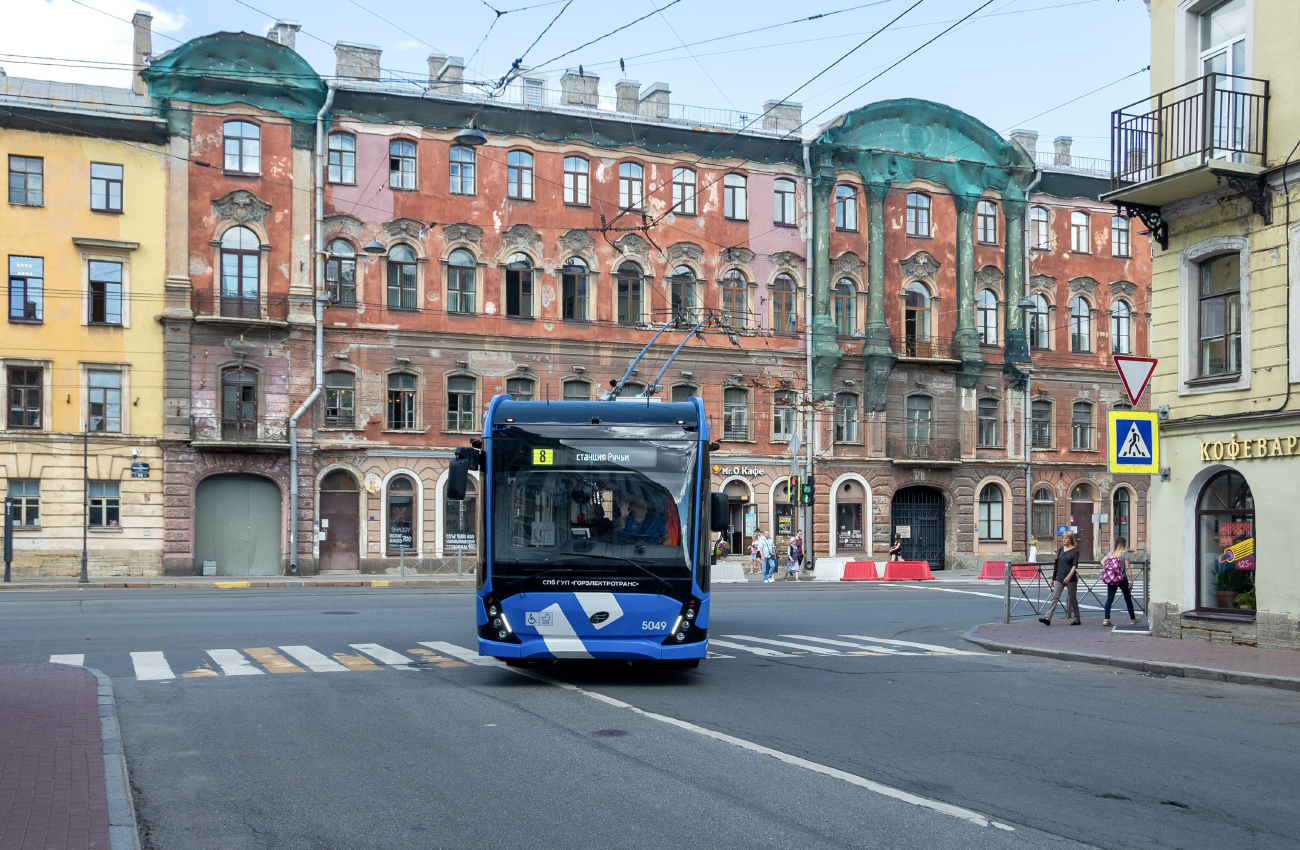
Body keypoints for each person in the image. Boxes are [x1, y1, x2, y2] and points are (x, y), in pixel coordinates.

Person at [1039, 531, 1081, 626]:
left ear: (1070, 539)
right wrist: (1053, 577)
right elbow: (1057, 564)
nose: (1064, 540)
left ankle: (1077, 619)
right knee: (1055, 597)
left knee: (1072, 598)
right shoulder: (1061, 549)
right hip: (1059, 576)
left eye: (1066, 538)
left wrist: (1068, 577)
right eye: (1063, 538)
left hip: (1070, 578)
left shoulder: (1075, 551)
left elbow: (1074, 566)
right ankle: (1047, 618)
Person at [1101, 536, 1137, 627]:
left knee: (1109, 598)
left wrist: (1108, 569)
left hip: (1112, 578)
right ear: (1124, 544)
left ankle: (1106, 619)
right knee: (1127, 598)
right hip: (1122, 578)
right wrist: (1131, 580)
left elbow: (1102, 561)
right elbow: (1128, 567)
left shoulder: (1111, 553)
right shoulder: (1125, 554)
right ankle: (1132, 619)